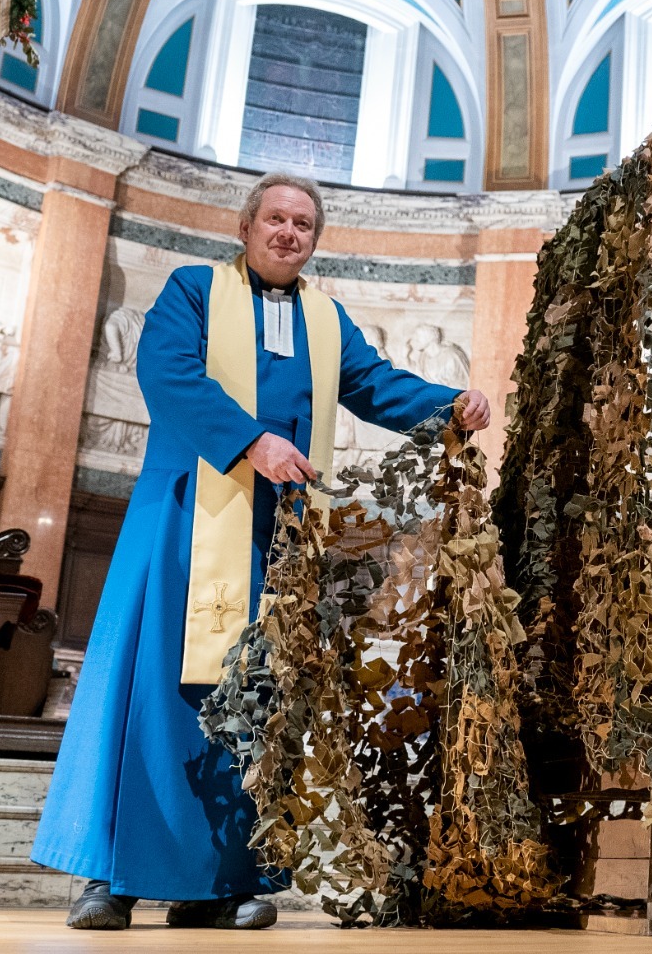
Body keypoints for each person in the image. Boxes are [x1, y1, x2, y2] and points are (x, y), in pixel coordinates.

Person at [30, 173, 491, 930]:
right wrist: (251, 442)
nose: (288, 232)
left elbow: (373, 385)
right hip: (186, 516)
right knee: (153, 691)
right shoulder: (192, 289)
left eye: (303, 224)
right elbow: (169, 375)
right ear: (246, 227)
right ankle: (110, 879)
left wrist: (451, 406)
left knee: (254, 703)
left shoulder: (323, 317)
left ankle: (224, 880)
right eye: (275, 218)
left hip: (277, 532)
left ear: (315, 240)